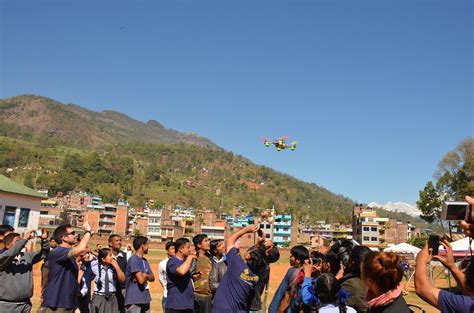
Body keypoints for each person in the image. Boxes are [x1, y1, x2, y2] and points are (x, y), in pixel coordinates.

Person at [40, 222, 93, 313]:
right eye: (72, 233)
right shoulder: (57, 252)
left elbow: (71, 282)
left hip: (68, 304)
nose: (75, 235)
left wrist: (75, 305)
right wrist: (87, 231)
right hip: (56, 304)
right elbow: (81, 248)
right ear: (63, 238)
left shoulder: (70, 257)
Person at [212, 225, 263, 313]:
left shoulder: (237, 265)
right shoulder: (257, 277)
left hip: (222, 309)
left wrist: (245, 230)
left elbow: (230, 241)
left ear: (247, 256)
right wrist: (259, 244)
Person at [414, 239, 474, 313]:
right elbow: (470, 289)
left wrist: (421, 260)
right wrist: (452, 266)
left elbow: (422, 289)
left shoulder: (466, 305)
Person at [0, 229, 49, 312]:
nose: (22, 244)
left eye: (21, 242)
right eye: (18, 242)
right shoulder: (3, 258)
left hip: (25, 305)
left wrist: (44, 240)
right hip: (6, 306)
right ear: (8, 245)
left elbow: (44, 254)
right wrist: (25, 239)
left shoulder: (27, 256)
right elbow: (11, 253)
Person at [268, 245, 309, 313]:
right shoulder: (309, 273)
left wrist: (272, 310)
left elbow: (280, 293)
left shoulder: (292, 271)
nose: (290, 258)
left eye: (292, 256)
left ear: (298, 260)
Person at [125, 236, 155, 313]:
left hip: (145, 298)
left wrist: (146, 276)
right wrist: (144, 276)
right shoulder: (134, 259)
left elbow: (152, 278)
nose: (148, 247)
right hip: (134, 299)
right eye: (147, 245)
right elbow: (141, 280)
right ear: (142, 246)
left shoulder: (144, 260)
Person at [166, 238, 196, 313]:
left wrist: (193, 278)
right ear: (181, 249)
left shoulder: (184, 262)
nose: (190, 249)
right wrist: (190, 257)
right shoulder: (173, 261)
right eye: (188, 247)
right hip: (177, 305)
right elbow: (181, 271)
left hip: (187, 304)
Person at [90, 248, 126, 313]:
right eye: (110, 255)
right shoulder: (94, 266)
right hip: (99, 297)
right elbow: (99, 256)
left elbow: (123, 279)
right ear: (103, 259)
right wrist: (91, 251)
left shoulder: (114, 268)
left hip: (112, 297)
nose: (112, 257)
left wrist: (117, 267)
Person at [340, 246, 371, 313]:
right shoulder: (375, 282)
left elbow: (335, 306)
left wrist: (335, 280)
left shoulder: (350, 285)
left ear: (352, 263)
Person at [108, 234, 128, 313]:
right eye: (116, 241)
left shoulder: (125, 256)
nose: (119, 242)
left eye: (120, 240)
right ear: (110, 243)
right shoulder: (105, 256)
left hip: (122, 290)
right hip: (109, 290)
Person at [193, 234, 213, 313]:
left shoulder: (210, 258)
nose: (209, 242)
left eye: (208, 240)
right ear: (198, 245)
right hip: (196, 295)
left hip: (208, 297)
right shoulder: (193, 258)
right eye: (206, 241)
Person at [158, 241, 175, 311]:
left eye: (175, 248)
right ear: (167, 250)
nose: (174, 250)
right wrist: (166, 287)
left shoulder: (181, 262)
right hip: (167, 295)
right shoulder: (162, 264)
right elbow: (161, 278)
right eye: (172, 248)